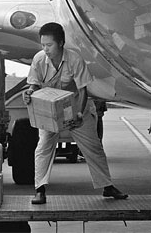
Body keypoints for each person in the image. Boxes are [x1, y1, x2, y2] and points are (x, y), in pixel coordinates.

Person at [23, 22, 128, 204]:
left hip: (77, 107)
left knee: (93, 148)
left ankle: (107, 187)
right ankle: (39, 190)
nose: (45, 49)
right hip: (51, 110)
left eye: (49, 45)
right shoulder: (39, 59)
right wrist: (30, 92)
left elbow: (83, 91)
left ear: (61, 43)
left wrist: (78, 115)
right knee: (43, 147)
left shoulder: (74, 59)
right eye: (43, 45)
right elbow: (34, 84)